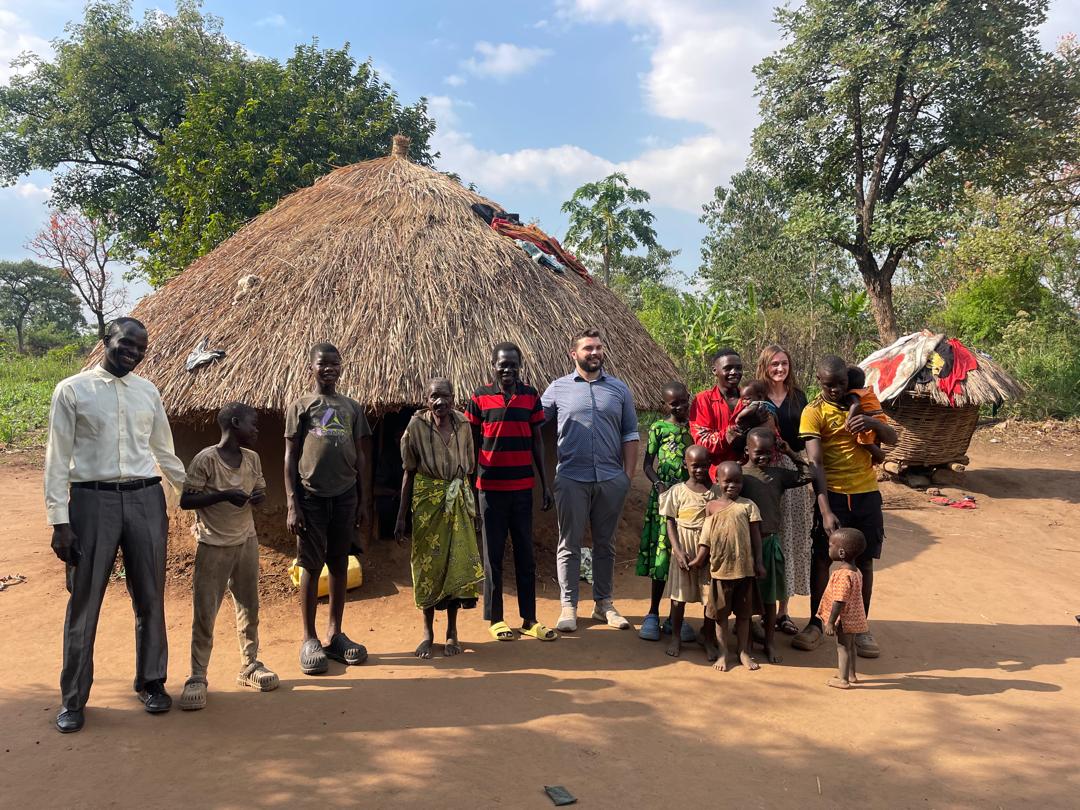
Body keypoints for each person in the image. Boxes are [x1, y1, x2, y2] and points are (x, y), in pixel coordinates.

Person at [45, 317, 188, 733]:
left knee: (150, 596)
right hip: (92, 502)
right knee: (85, 601)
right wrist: (60, 521)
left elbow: (165, 450)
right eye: (127, 343)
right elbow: (56, 460)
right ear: (106, 341)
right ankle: (73, 699)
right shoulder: (72, 390)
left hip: (146, 499)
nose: (134, 351)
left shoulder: (148, 392)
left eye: (141, 347)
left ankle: (152, 682)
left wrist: (193, 496)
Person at [792, 355, 897, 659]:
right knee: (823, 561)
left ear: (847, 381)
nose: (835, 390)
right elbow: (815, 463)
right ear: (818, 381)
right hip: (833, 495)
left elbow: (891, 440)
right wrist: (824, 509)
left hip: (866, 493)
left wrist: (873, 422)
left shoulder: (865, 403)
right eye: (829, 385)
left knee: (864, 563)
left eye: (840, 384)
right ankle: (815, 623)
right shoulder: (813, 412)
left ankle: (859, 628)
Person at [178, 403, 277, 710]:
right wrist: (223, 494)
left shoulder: (252, 459)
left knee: (249, 606)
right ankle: (197, 675)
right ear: (235, 424)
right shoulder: (205, 460)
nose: (257, 430)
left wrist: (258, 498)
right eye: (253, 424)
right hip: (214, 546)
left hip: (246, 542)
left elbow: (260, 491)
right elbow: (186, 500)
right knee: (206, 611)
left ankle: (249, 665)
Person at [541, 328, 639, 632]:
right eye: (587, 348)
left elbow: (631, 434)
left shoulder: (620, 390)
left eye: (598, 347)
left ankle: (603, 604)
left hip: (611, 478)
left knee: (605, 544)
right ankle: (568, 606)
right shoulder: (557, 388)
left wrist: (627, 477)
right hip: (571, 477)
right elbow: (531, 421)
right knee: (568, 544)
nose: (594, 352)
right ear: (574, 354)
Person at [285, 343, 373, 675]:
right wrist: (292, 503)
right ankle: (309, 638)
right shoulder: (301, 406)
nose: (330, 369)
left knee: (339, 561)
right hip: (310, 497)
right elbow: (290, 456)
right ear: (311, 367)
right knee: (310, 564)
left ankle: (335, 634)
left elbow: (360, 456)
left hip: (345, 495)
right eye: (323, 364)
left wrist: (363, 500)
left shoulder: (352, 407)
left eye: (335, 364)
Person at [465, 342, 557, 643]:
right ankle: (496, 618)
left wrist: (545, 484)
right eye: (502, 364)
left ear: (520, 366)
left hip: (522, 488)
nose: (508, 369)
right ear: (493, 365)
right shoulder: (479, 397)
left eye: (513, 364)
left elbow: (537, 443)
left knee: (525, 555)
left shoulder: (530, 396)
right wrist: (470, 486)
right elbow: (471, 443)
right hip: (490, 490)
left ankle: (529, 619)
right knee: (492, 556)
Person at [395, 378, 485, 658]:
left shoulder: (463, 424)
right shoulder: (415, 427)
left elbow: (470, 469)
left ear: (453, 397)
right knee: (427, 566)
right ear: (426, 398)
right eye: (434, 397)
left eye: (444, 396)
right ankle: (427, 632)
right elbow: (408, 471)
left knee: (455, 563)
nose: (439, 402)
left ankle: (452, 632)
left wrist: (476, 509)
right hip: (427, 501)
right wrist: (400, 516)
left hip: (458, 500)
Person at [739, 427, 813, 664]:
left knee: (770, 598)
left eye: (767, 453)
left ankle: (769, 642)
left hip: (770, 543)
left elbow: (809, 474)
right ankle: (746, 644)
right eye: (757, 452)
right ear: (746, 450)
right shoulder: (739, 475)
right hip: (744, 545)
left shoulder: (778, 475)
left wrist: (791, 453)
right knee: (746, 599)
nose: (762, 457)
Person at [755, 344, 812, 638]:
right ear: (765, 366)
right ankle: (760, 609)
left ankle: (783, 612)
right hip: (764, 472)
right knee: (766, 538)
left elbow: (807, 437)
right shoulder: (757, 397)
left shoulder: (798, 398)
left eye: (784, 364)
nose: (780, 369)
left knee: (791, 541)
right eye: (774, 364)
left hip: (793, 468)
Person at [637, 381, 695, 644]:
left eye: (684, 401)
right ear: (665, 405)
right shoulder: (658, 428)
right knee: (662, 555)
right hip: (663, 500)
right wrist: (658, 484)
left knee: (680, 555)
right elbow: (648, 465)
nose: (680, 407)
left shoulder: (696, 427)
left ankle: (675, 617)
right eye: (674, 404)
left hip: (689, 502)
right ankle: (652, 613)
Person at [693, 461, 764, 672]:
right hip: (720, 571)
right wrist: (699, 559)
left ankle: (742, 651)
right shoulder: (711, 507)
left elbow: (756, 538)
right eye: (727, 481)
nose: (732, 486)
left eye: (737, 481)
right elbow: (705, 537)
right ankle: (723, 652)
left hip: (745, 571)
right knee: (720, 617)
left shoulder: (748, 506)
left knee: (744, 616)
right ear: (717, 481)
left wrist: (758, 563)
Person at [658, 445, 718, 660]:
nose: (700, 470)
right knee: (678, 597)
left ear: (710, 465)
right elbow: (670, 522)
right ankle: (675, 636)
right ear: (685, 465)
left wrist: (709, 552)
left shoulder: (716, 492)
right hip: (684, 548)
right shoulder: (677, 491)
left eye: (704, 466)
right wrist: (677, 550)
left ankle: (708, 639)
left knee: (709, 597)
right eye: (695, 466)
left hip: (708, 550)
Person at [690, 348, 764, 478]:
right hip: (716, 477)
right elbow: (702, 442)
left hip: (750, 474)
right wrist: (737, 429)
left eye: (738, 368)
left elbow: (765, 436)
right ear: (715, 371)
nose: (734, 372)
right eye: (728, 368)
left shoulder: (752, 399)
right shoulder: (703, 400)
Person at [820, 528, 869, 689]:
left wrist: (830, 622)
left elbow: (839, 601)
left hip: (844, 619)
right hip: (856, 617)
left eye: (830, 546)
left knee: (842, 647)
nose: (829, 548)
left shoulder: (842, 575)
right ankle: (851, 674)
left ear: (841, 553)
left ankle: (843, 680)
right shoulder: (856, 572)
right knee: (851, 646)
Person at [845, 366, 887, 464]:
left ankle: (880, 455)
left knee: (863, 441)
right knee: (875, 439)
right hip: (880, 416)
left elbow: (856, 405)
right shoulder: (866, 391)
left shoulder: (853, 394)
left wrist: (848, 419)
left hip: (871, 418)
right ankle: (875, 459)